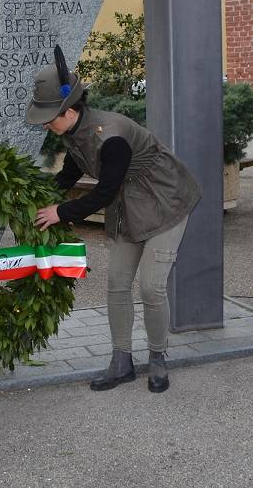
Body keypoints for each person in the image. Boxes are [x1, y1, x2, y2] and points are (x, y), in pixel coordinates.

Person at [26, 46, 201, 394]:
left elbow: (104, 192)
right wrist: (40, 194)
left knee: (152, 287)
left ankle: (157, 358)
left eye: (49, 116)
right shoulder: (73, 133)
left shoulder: (113, 137)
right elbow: (71, 172)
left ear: (69, 110)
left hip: (164, 203)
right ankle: (121, 361)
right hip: (129, 207)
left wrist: (59, 212)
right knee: (118, 284)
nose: (46, 123)